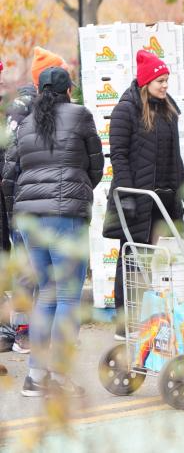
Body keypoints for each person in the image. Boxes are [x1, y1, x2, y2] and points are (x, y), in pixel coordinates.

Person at [2, 66, 103, 397]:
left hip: (30, 216)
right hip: (65, 215)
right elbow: (96, 164)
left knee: (45, 293)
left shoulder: (27, 122)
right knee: (67, 296)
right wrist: (79, 189)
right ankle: (59, 377)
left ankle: (35, 377)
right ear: (68, 90)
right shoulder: (80, 115)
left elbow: (11, 171)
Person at [104, 50, 184, 339]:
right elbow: (117, 155)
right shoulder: (125, 110)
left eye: (167, 80)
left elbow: (175, 156)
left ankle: (153, 319)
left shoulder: (169, 110)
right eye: (160, 80)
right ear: (146, 82)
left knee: (157, 259)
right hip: (137, 199)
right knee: (131, 259)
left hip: (163, 199)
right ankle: (124, 322)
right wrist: (127, 193)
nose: (165, 85)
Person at [2, 47, 63, 356]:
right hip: (24, 204)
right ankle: (21, 332)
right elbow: (10, 166)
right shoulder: (24, 110)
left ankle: (33, 329)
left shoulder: (48, 108)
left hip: (42, 202)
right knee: (27, 271)